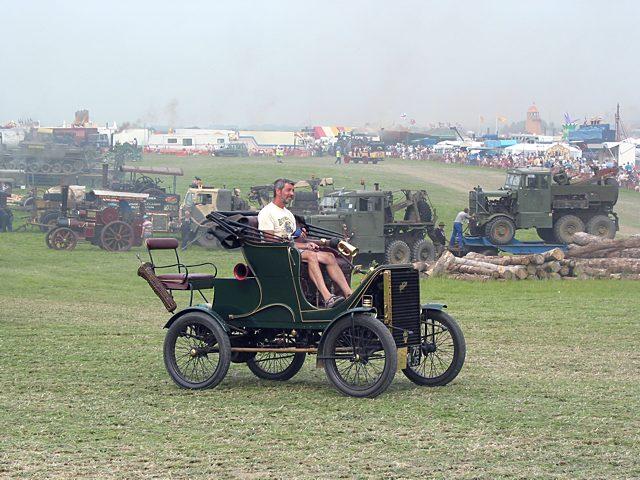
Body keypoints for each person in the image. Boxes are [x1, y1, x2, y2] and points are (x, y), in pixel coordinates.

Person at [258, 178, 352, 308]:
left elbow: (292, 238)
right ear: (278, 191)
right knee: (310, 255)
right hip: (277, 253)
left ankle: (349, 295)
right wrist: (304, 246)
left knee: (329, 257)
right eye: (289, 190)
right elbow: (270, 241)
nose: (292, 194)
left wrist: (304, 240)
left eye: (293, 190)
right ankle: (328, 298)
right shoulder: (267, 213)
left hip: (292, 250)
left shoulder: (288, 214)